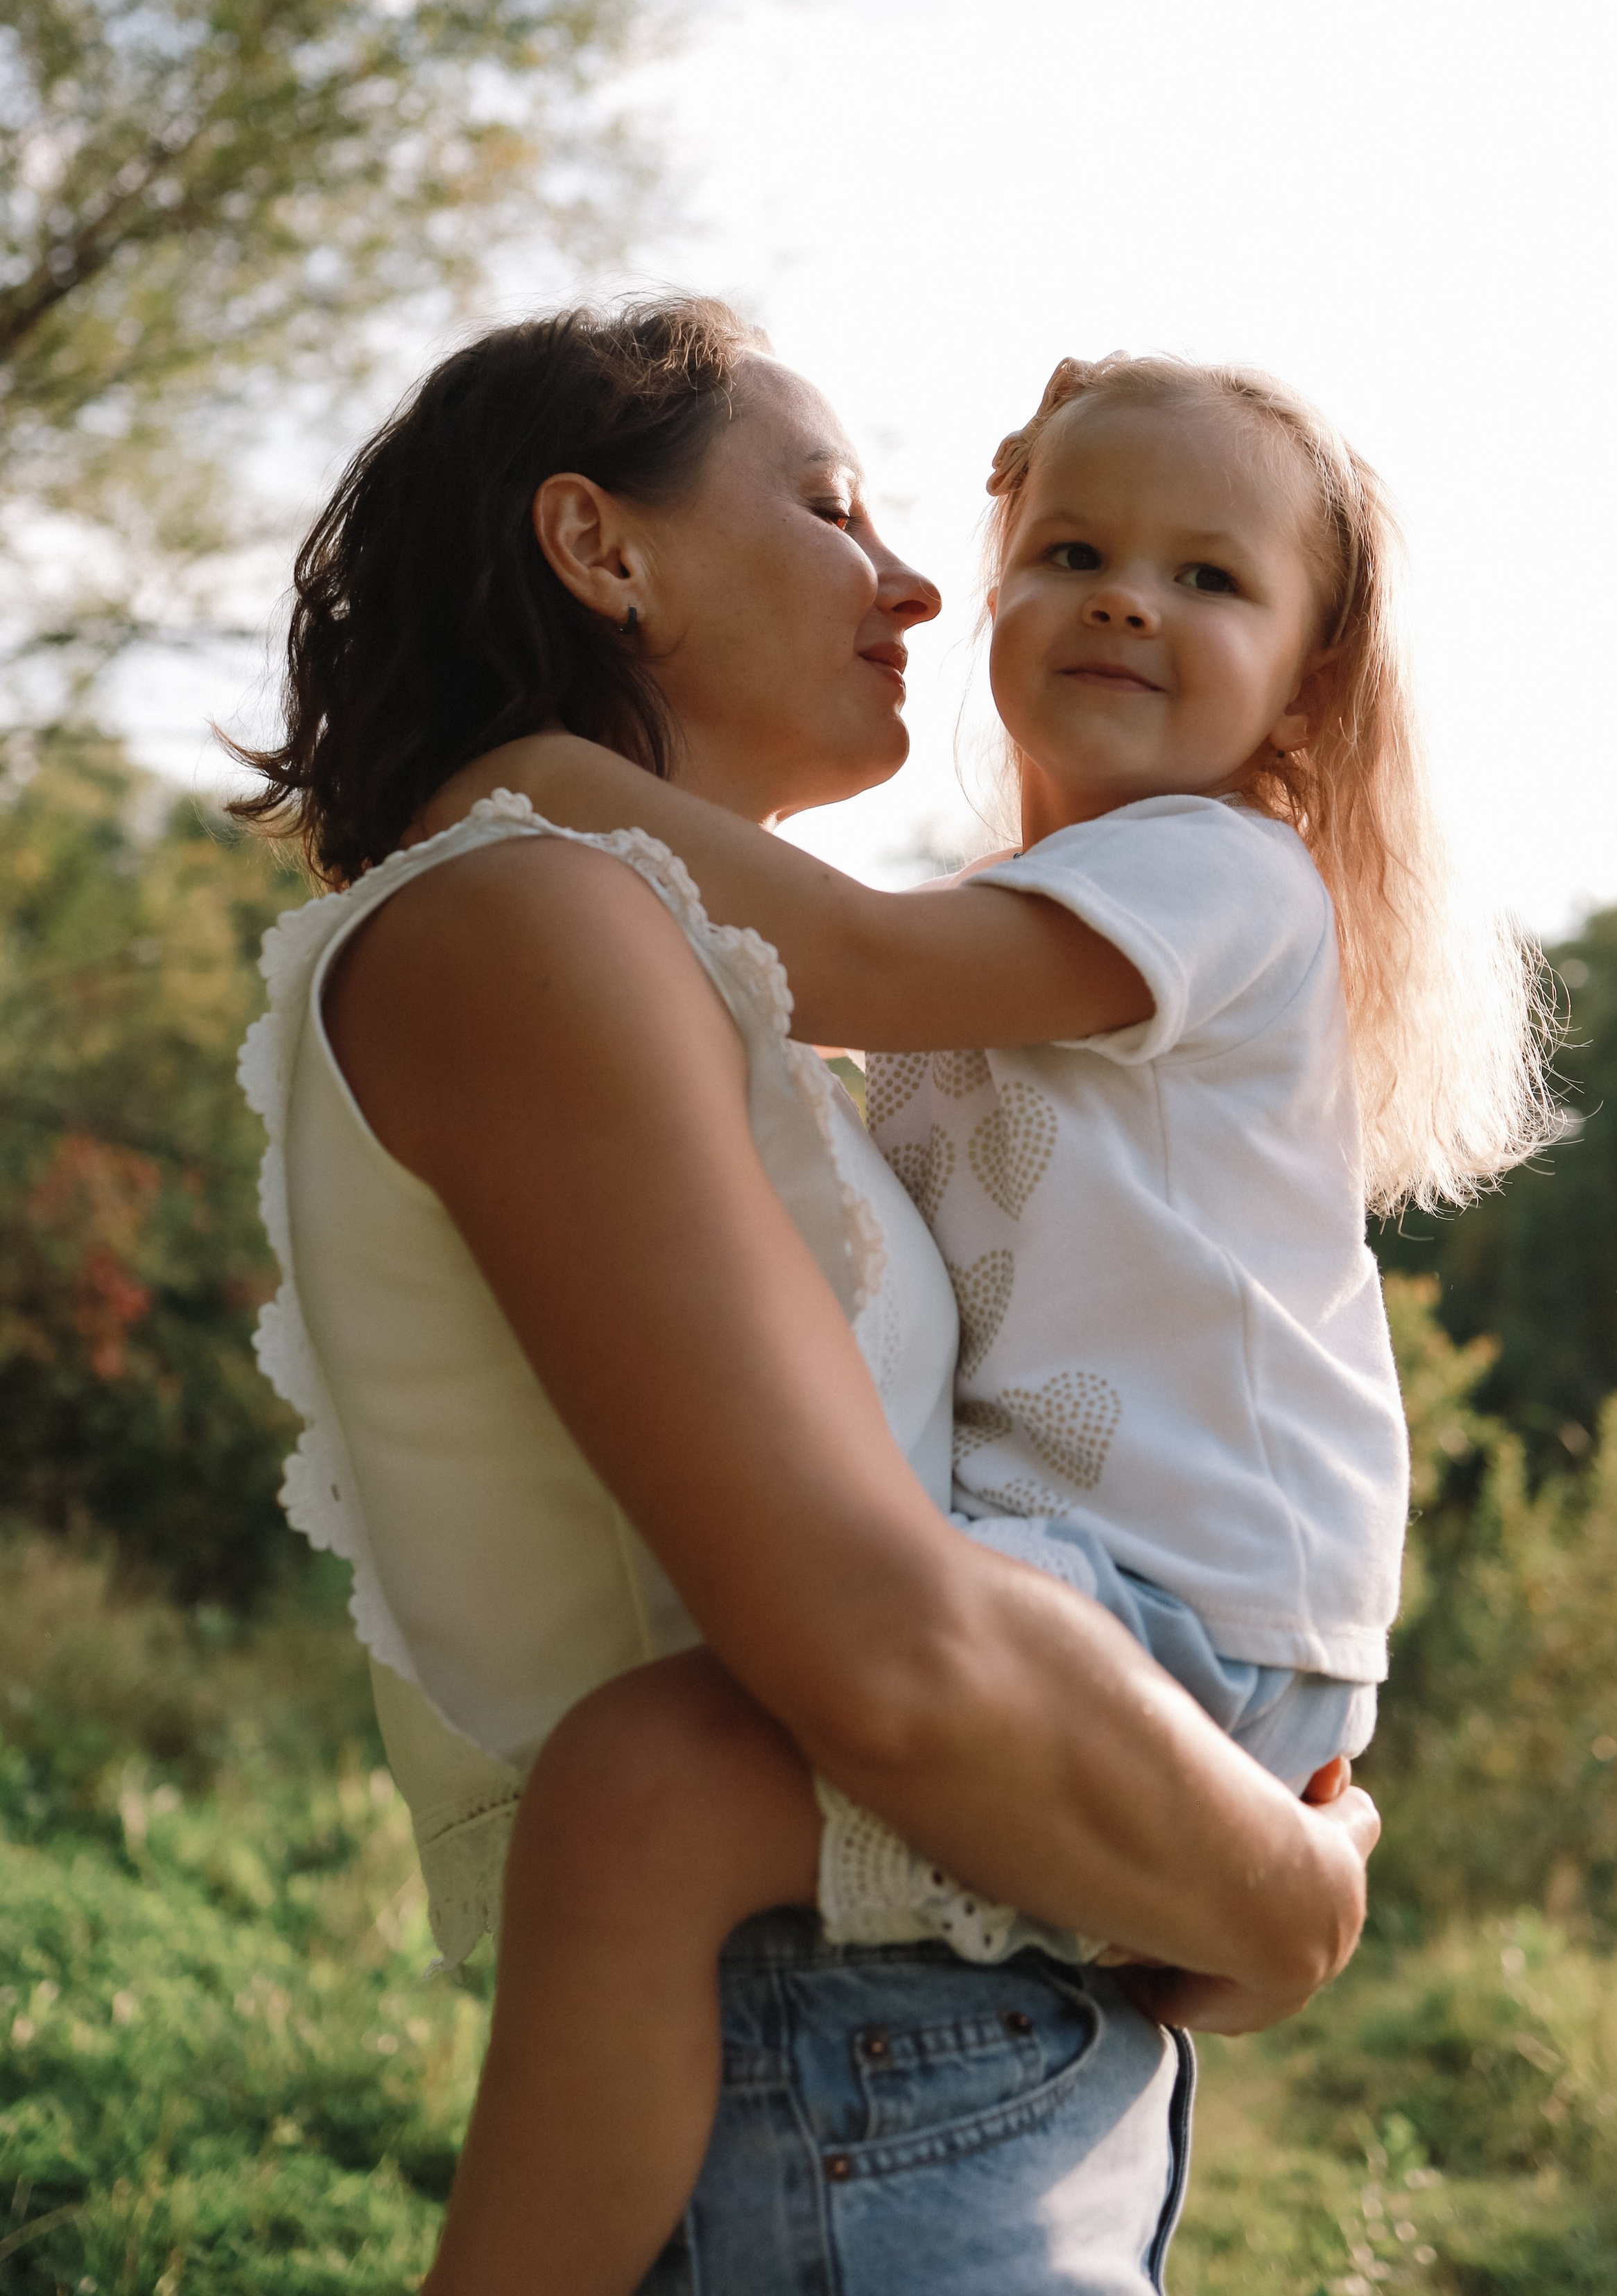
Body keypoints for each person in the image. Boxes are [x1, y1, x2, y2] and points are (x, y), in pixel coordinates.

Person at [233, 302, 1380, 2296]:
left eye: (1202, 575)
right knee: (645, 1794)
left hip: (994, 1997)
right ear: (604, 551)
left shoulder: (769, 965)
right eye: (843, 510)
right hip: (848, 2084)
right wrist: (1283, 1890)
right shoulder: (531, 917)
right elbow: (883, 1636)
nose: (920, 576)